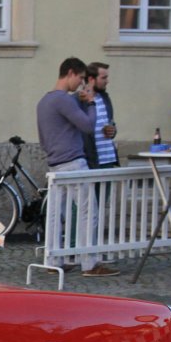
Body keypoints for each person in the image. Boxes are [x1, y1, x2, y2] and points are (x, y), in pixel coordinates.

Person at [37, 57, 116, 276]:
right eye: (80, 78)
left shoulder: (44, 101)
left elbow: (43, 139)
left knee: (56, 215)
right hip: (73, 162)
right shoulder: (63, 99)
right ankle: (90, 263)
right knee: (88, 212)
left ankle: (54, 261)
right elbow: (88, 126)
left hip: (55, 163)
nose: (81, 83)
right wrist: (90, 103)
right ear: (70, 73)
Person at [83, 63, 119, 169]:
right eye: (103, 78)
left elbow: (111, 123)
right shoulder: (80, 100)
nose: (107, 81)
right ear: (91, 79)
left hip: (109, 159)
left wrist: (112, 130)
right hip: (91, 161)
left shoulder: (105, 98)